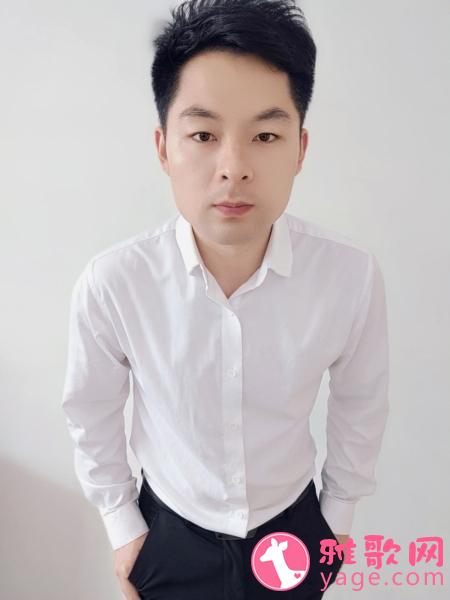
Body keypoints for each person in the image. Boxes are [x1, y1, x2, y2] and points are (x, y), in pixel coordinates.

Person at [61, 1, 389, 598]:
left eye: (265, 135)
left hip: (294, 525)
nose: (233, 168)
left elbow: (360, 402)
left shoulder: (349, 274)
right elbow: (91, 409)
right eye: (204, 135)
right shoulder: (114, 281)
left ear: (300, 148)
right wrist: (123, 527)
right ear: (164, 147)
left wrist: (337, 521)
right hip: (169, 529)